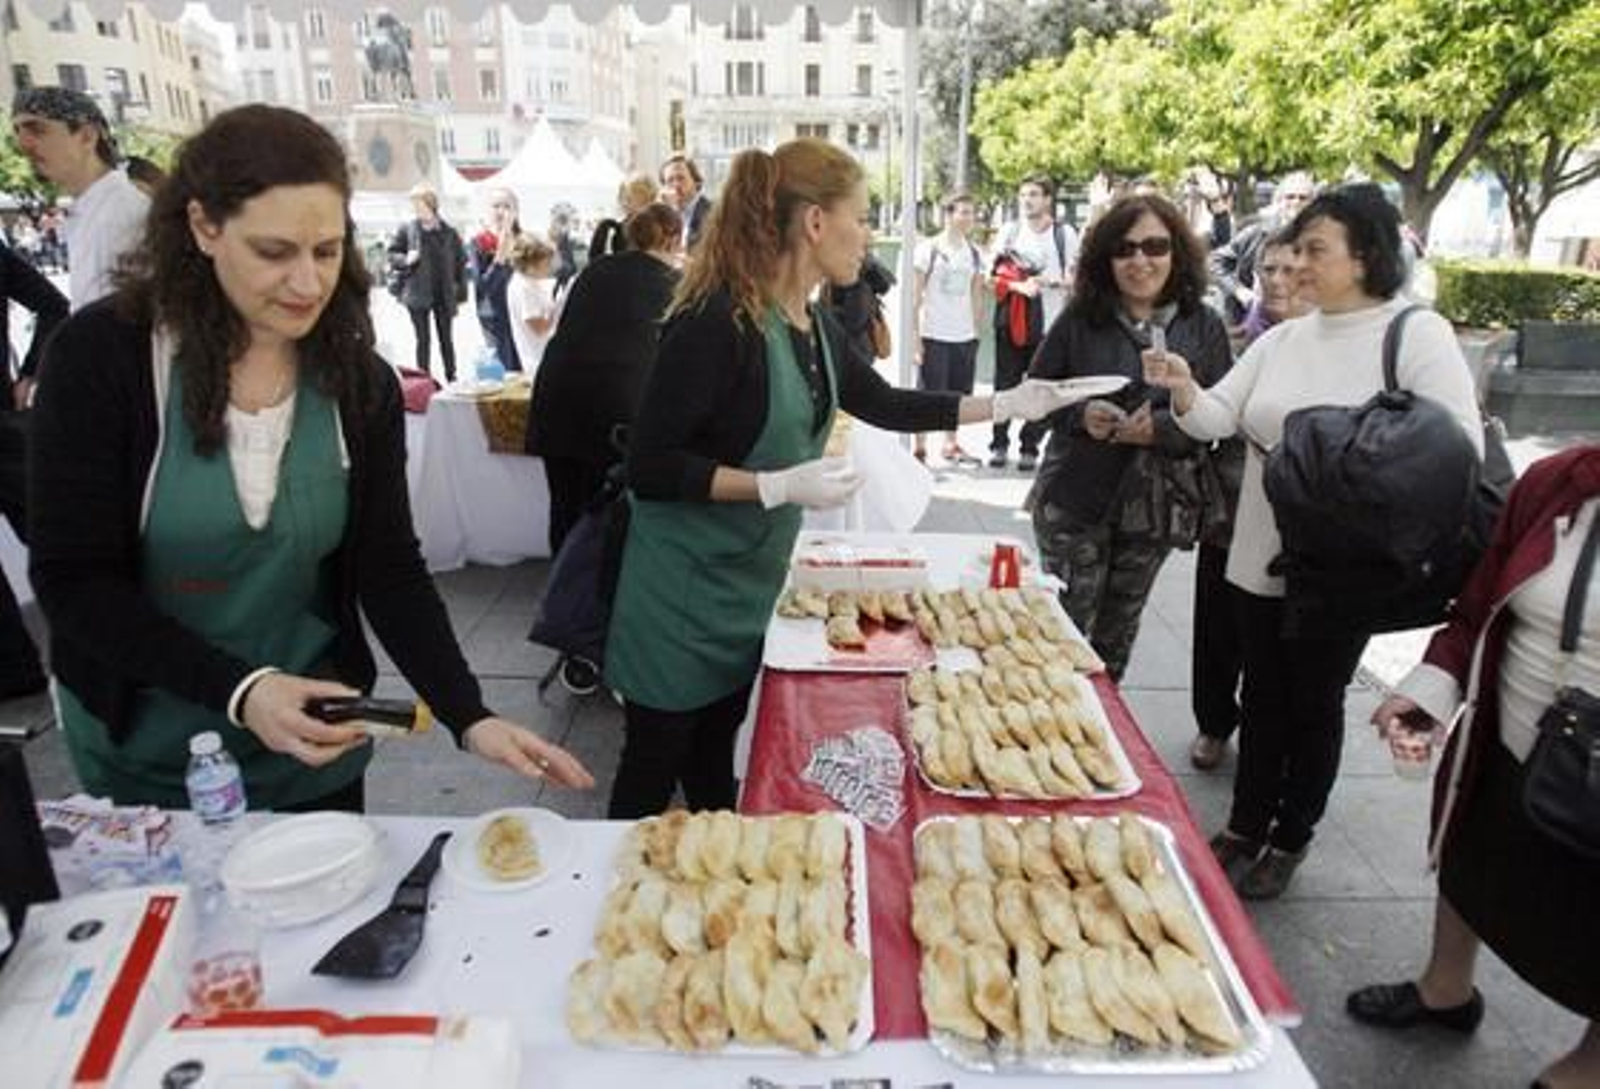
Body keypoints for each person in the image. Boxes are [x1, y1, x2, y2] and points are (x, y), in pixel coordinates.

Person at [26, 105, 593, 812]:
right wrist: (242, 690)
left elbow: (388, 566)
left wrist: (467, 712)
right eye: (274, 252)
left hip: (317, 745)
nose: (307, 283)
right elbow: (73, 578)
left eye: (326, 251)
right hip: (154, 757)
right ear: (203, 227)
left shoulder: (357, 383)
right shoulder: (103, 360)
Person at [603, 139, 1083, 819]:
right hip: (679, 599)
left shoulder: (815, 324)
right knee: (650, 775)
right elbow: (650, 467)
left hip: (746, 588)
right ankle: (611, 900)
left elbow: (888, 404)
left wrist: (1008, 402)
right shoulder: (714, 320)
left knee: (714, 765)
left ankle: (713, 867)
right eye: (861, 217)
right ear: (815, 223)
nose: (869, 235)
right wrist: (774, 486)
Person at [1145, 183, 1483, 898]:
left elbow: (1459, 446)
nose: (1296, 264)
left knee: (1314, 699)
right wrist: (1181, 387)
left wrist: (1352, 456)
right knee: (1262, 692)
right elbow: (1216, 417)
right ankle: (1244, 822)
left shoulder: (1414, 333)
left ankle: (1292, 833)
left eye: (1315, 249)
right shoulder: (1288, 337)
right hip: (1258, 548)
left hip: (1343, 563)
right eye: (1294, 249)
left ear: (1365, 256)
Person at [1345, 445, 1599, 1089]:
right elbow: (1477, 606)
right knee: (1471, 860)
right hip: (1507, 735)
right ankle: (1445, 990)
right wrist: (1432, 691)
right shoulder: (1558, 481)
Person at [1027, 194, 1232, 683]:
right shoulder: (1081, 317)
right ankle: (1054, 728)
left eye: (1155, 246)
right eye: (1125, 249)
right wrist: (1081, 414)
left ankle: (1101, 737)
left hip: (1156, 507)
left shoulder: (1202, 325)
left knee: (1116, 636)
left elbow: (1224, 414)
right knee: (1064, 630)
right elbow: (1033, 397)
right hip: (1076, 498)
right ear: (1106, 259)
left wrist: (1162, 427)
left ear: (1177, 252)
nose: (1141, 260)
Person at [1190, 231, 1310, 771]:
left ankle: (1276, 742)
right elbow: (1204, 413)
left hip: (1297, 528)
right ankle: (1214, 724)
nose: (1278, 282)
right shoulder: (1236, 341)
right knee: (1217, 628)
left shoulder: (1324, 348)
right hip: (1229, 509)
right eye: (1268, 270)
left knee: (1279, 644)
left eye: (1290, 270)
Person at [528, 202, 682, 557]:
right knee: (604, 520)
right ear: (675, 240)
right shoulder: (674, 284)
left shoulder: (593, 271)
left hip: (555, 403)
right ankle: (591, 603)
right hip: (612, 413)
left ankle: (561, 597)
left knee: (565, 510)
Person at [0, 241, 68, 700]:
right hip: (6, 426)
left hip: (4, 427)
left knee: (63, 542)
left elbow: (52, 304)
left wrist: (29, 372)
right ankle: (18, 673)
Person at [10, 86, 149, 310]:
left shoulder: (120, 213)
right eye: (17, 131)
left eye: (36, 129)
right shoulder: (91, 210)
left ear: (87, 136)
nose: (23, 145)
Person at [990, 174, 1078, 471]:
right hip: (1011, 322)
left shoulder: (1064, 235)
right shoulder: (1009, 232)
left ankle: (1030, 446)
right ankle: (999, 444)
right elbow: (993, 278)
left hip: (1050, 325)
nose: (1027, 200)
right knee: (1005, 385)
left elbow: (1074, 279)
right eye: (1023, 194)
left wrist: (1047, 282)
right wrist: (1019, 286)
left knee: (1041, 387)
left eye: (1034, 194)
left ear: (1048, 199)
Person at [912, 191, 986, 464]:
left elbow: (977, 294)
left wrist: (976, 332)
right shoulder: (927, 250)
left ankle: (951, 444)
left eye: (972, 213)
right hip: (933, 334)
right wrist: (915, 339)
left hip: (964, 336)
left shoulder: (976, 253)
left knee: (957, 395)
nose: (969, 218)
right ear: (948, 215)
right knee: (928, 394)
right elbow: (915, 297)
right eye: (963, 212)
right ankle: (919, 447)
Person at [1209, 171, 1315, 324]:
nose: (1296, 202)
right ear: (1279, 200)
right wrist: (1239, 291)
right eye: (1290, 196)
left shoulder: (1320, 238)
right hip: (1258, 324)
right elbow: (1216, 261)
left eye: (1303, 197)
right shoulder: (1257, 232)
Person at [388, 184, 468, 383]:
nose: (415, 209)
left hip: (443, 292)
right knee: (422, 340)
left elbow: (460, 264)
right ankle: (423, 379)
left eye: (419, 204)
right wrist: (406, 258)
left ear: (431, 204)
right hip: (417, 292)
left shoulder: (449, 232)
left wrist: (461, 293)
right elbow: (392, 253)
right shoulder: (408, 228)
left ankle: (452, 376)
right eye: (414, 205)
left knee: (446, 339)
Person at [469, 187, 523, 372]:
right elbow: (482, 285)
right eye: (496, 206)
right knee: (504, 369)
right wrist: (499, 256)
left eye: (506, 206)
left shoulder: (525, 240)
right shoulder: (480, 242)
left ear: (516, 211)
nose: (500, 211)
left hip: (523, 312)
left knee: (525, 368)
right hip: (494, 315)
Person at [505, 233, 558, 378]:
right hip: (538, 360)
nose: (549, 267)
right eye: (545, 263)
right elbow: (539, 327)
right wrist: (559, 308)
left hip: (540, 358)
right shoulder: (524, 287)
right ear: (530, 264)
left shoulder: (528, 281)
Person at [587, 172, 659, 259]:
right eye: (623, 197)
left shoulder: (656, 229)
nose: (624, 202)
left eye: (630, 198)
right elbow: (594, 261)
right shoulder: (614, 226)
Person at [660, 154, 712, 250]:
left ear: (696, 181)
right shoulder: (664, 215)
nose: (676, 185)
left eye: (681, 178)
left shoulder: (711, 213)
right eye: (670, 180)